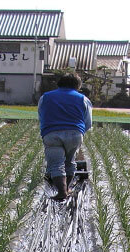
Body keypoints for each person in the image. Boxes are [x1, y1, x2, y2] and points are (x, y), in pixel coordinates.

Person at [38, 72, 92, 201]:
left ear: (59, 83)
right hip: (75, 133)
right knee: (70, 162)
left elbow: (41, 115)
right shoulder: (83, 99)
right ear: (78, 86)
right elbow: (88, 122)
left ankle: (61, 191)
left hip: (52, 133)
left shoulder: (45, 97)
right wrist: (80, 131)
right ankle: (66, 188)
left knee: (56, 164)